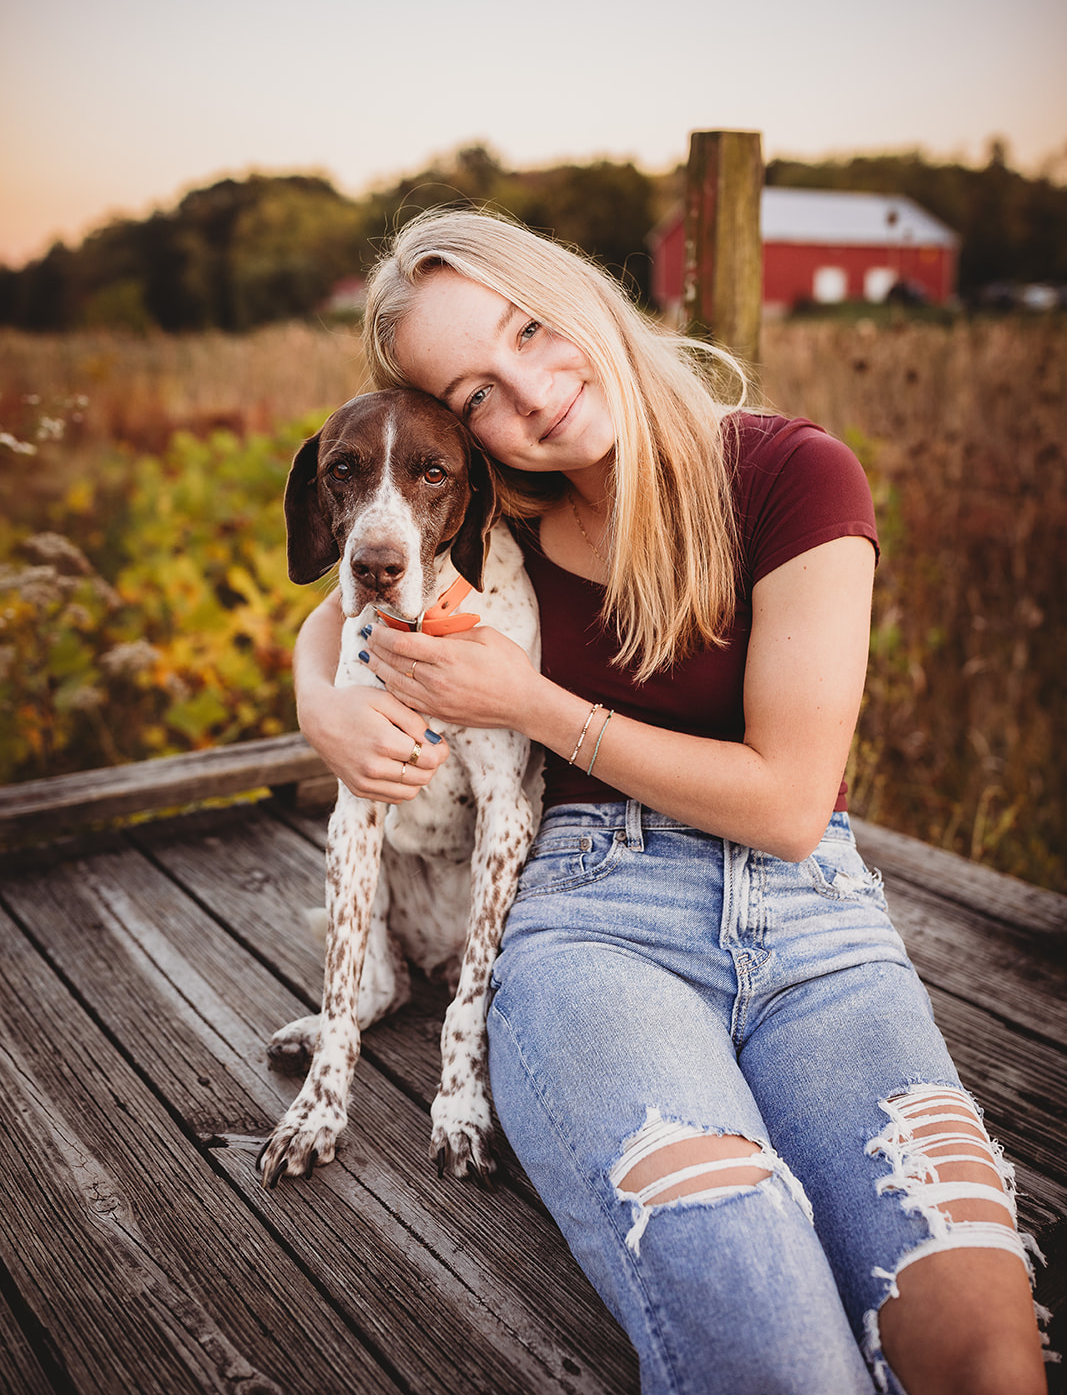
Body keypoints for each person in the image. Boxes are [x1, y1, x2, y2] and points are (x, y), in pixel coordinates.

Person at [293, 209, 1047, 1395]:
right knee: (761, 1330)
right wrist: (315, 703)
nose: (532, 392)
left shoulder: (794, 474)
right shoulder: (506, 512)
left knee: (980, 1352)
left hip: (811, 917)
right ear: (464, 441)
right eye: (477, 391)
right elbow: (354, 578)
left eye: (532, 328)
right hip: (588, 912)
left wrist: (532, 702)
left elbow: (790, 804)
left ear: (581, 294)